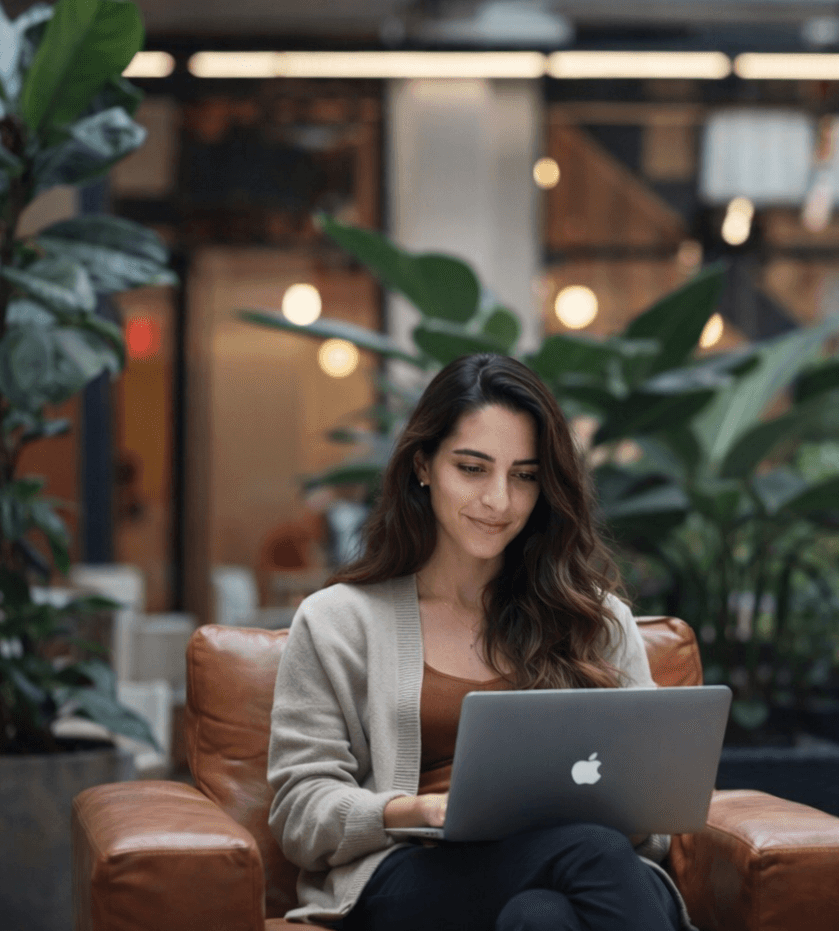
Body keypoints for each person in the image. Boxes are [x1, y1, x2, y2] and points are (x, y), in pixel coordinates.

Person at [268, 353, 688, 931]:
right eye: (472, 468)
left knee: (541, 916)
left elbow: (652, 817)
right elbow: (298, 811)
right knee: (590, 854)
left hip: (591, 879)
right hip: (421, 877)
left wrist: (632, 812)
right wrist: (408, 810)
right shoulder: (336, 622)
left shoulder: (595, 619)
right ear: (423, 464)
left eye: (524, 475)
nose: (499, 500)